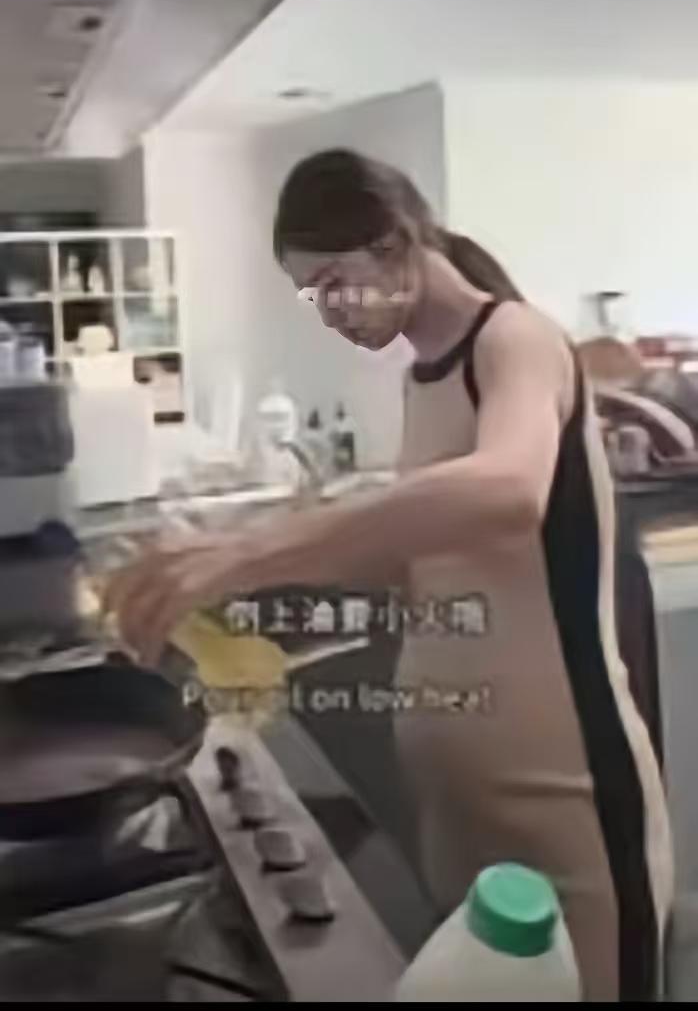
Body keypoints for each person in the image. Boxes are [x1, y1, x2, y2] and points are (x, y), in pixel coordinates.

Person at [110, 148, 672, 1002]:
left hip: (568, 798)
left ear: (397, 242)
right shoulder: (421, 381)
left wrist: (252, 551)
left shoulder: (515, 338)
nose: (330, 311)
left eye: (336, 282)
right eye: (313, 295)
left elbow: (508, 488)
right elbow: (417, 562)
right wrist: (231, 571)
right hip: (460, 804)